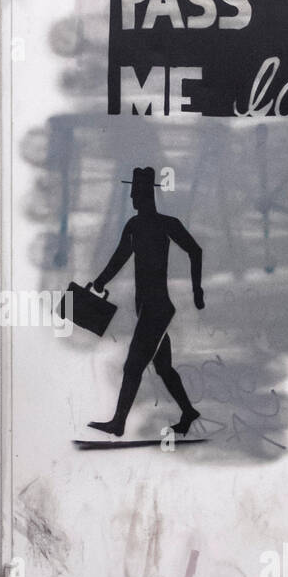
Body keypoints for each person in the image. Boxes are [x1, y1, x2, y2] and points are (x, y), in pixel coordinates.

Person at [89, 165, 204, 439]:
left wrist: (196, 290)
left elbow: (195, 251)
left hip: (157, 309)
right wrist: (101, 281)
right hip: (148, 309)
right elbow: (120, 257)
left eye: (135, 193)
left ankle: (118, 423)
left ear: (144, 195)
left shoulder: (164, 224)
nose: (132, 199)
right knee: (163, 367)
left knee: (133, 366)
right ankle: (188, 412)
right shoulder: (135, 226)